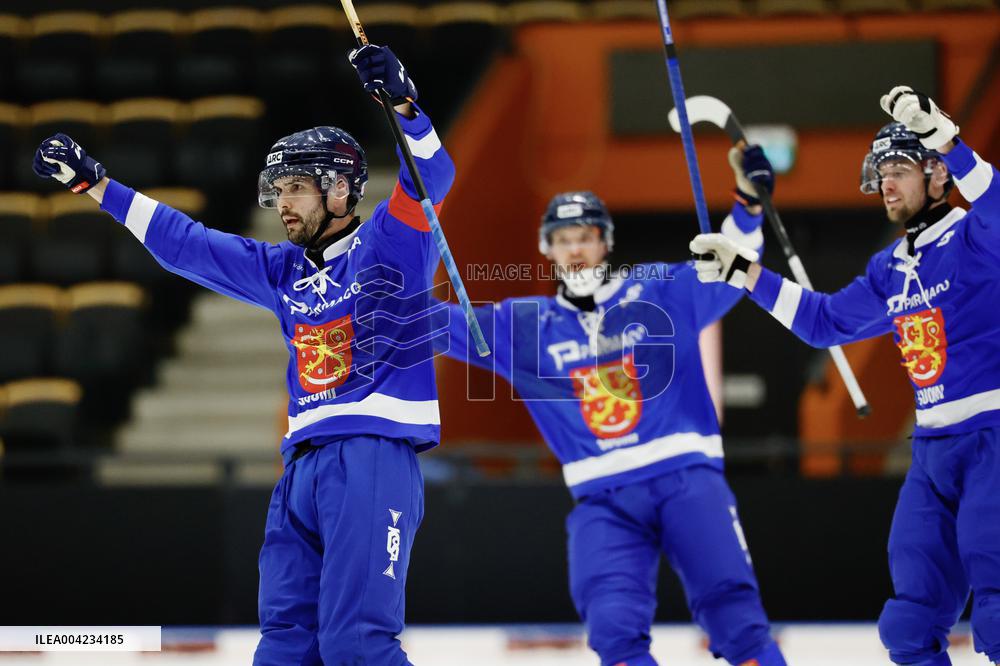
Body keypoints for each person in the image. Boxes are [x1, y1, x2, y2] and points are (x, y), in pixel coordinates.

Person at [33, 45, 451, 666]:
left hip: (372, 456)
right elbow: (187, 245)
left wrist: (405, 104)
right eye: (277, 189)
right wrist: (98, 184)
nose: (282, 203)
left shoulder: (393, 243)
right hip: (301, 466)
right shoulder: (282, 269)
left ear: (340, 188)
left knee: (355, 644)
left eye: (297, 189)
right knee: (283, 647)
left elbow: (432, 178)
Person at [434, 147, 787, 666]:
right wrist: (374, 279)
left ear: (605, 242)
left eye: (585, 237)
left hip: (687, 477)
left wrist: (749, 201)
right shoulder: (525, 325)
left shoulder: (660, 289)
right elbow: (436, 324)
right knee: (613, 630)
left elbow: (729, 261)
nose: (575, 249)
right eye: (563, 239)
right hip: (604, 498)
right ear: (547, 249)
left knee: (737, 621)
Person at [690, 85, 1000, 665]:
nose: (886, 181)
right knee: (908, 625)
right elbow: (824, 322)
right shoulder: (891, 265)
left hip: (994, 437)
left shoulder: (978, 235)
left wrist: (950, 140)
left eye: (901, 168)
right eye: (880, 171)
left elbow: (999, 203)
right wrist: (743, 274)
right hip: (933, 449)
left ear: (937, 176)